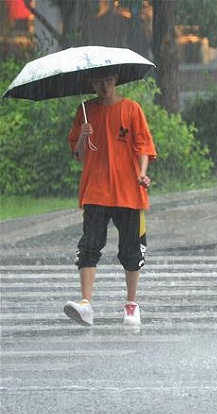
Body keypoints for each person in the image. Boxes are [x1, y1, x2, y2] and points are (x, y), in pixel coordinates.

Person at [63, 66, 157, 327]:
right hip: (96, 189)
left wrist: (141, 173)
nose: (102, 86)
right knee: (89, 246)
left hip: (129, 191)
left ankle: (131, 304)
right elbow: (79, 154)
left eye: (107, 80)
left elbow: (143, 146)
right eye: (97, 82)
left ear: (115, 80)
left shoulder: (131, 109)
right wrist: (82, 137)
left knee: (130, 249)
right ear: (91, 83)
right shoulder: (85, 111)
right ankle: (85, 304)